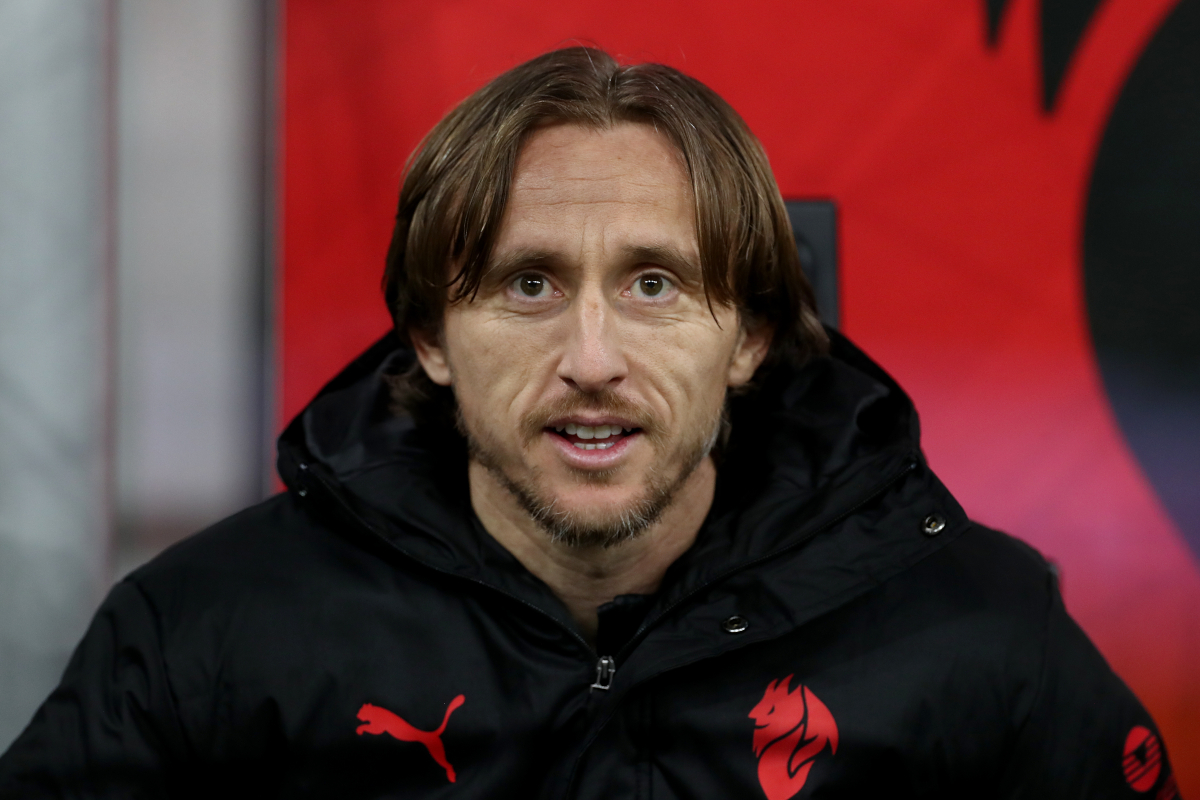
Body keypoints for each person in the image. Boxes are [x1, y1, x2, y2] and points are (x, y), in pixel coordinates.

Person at [0, 46, 1181, 800]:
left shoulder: (978, 629)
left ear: (751, 336)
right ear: (428, 337)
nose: (592, 358)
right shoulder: (206, 631)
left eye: (655, 284)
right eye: (528, 284)